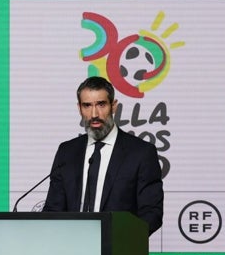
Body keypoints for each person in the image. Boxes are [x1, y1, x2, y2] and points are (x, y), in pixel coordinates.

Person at [42, 75, 163, 235]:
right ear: (79, 108)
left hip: (119, 253)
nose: (94, 114)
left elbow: (151, 214)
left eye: (101, 104)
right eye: (87, 105)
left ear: (114, 106)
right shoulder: (67, 152)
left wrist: (117, 241)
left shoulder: (141, 152)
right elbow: (53, 210)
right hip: (71, 252)